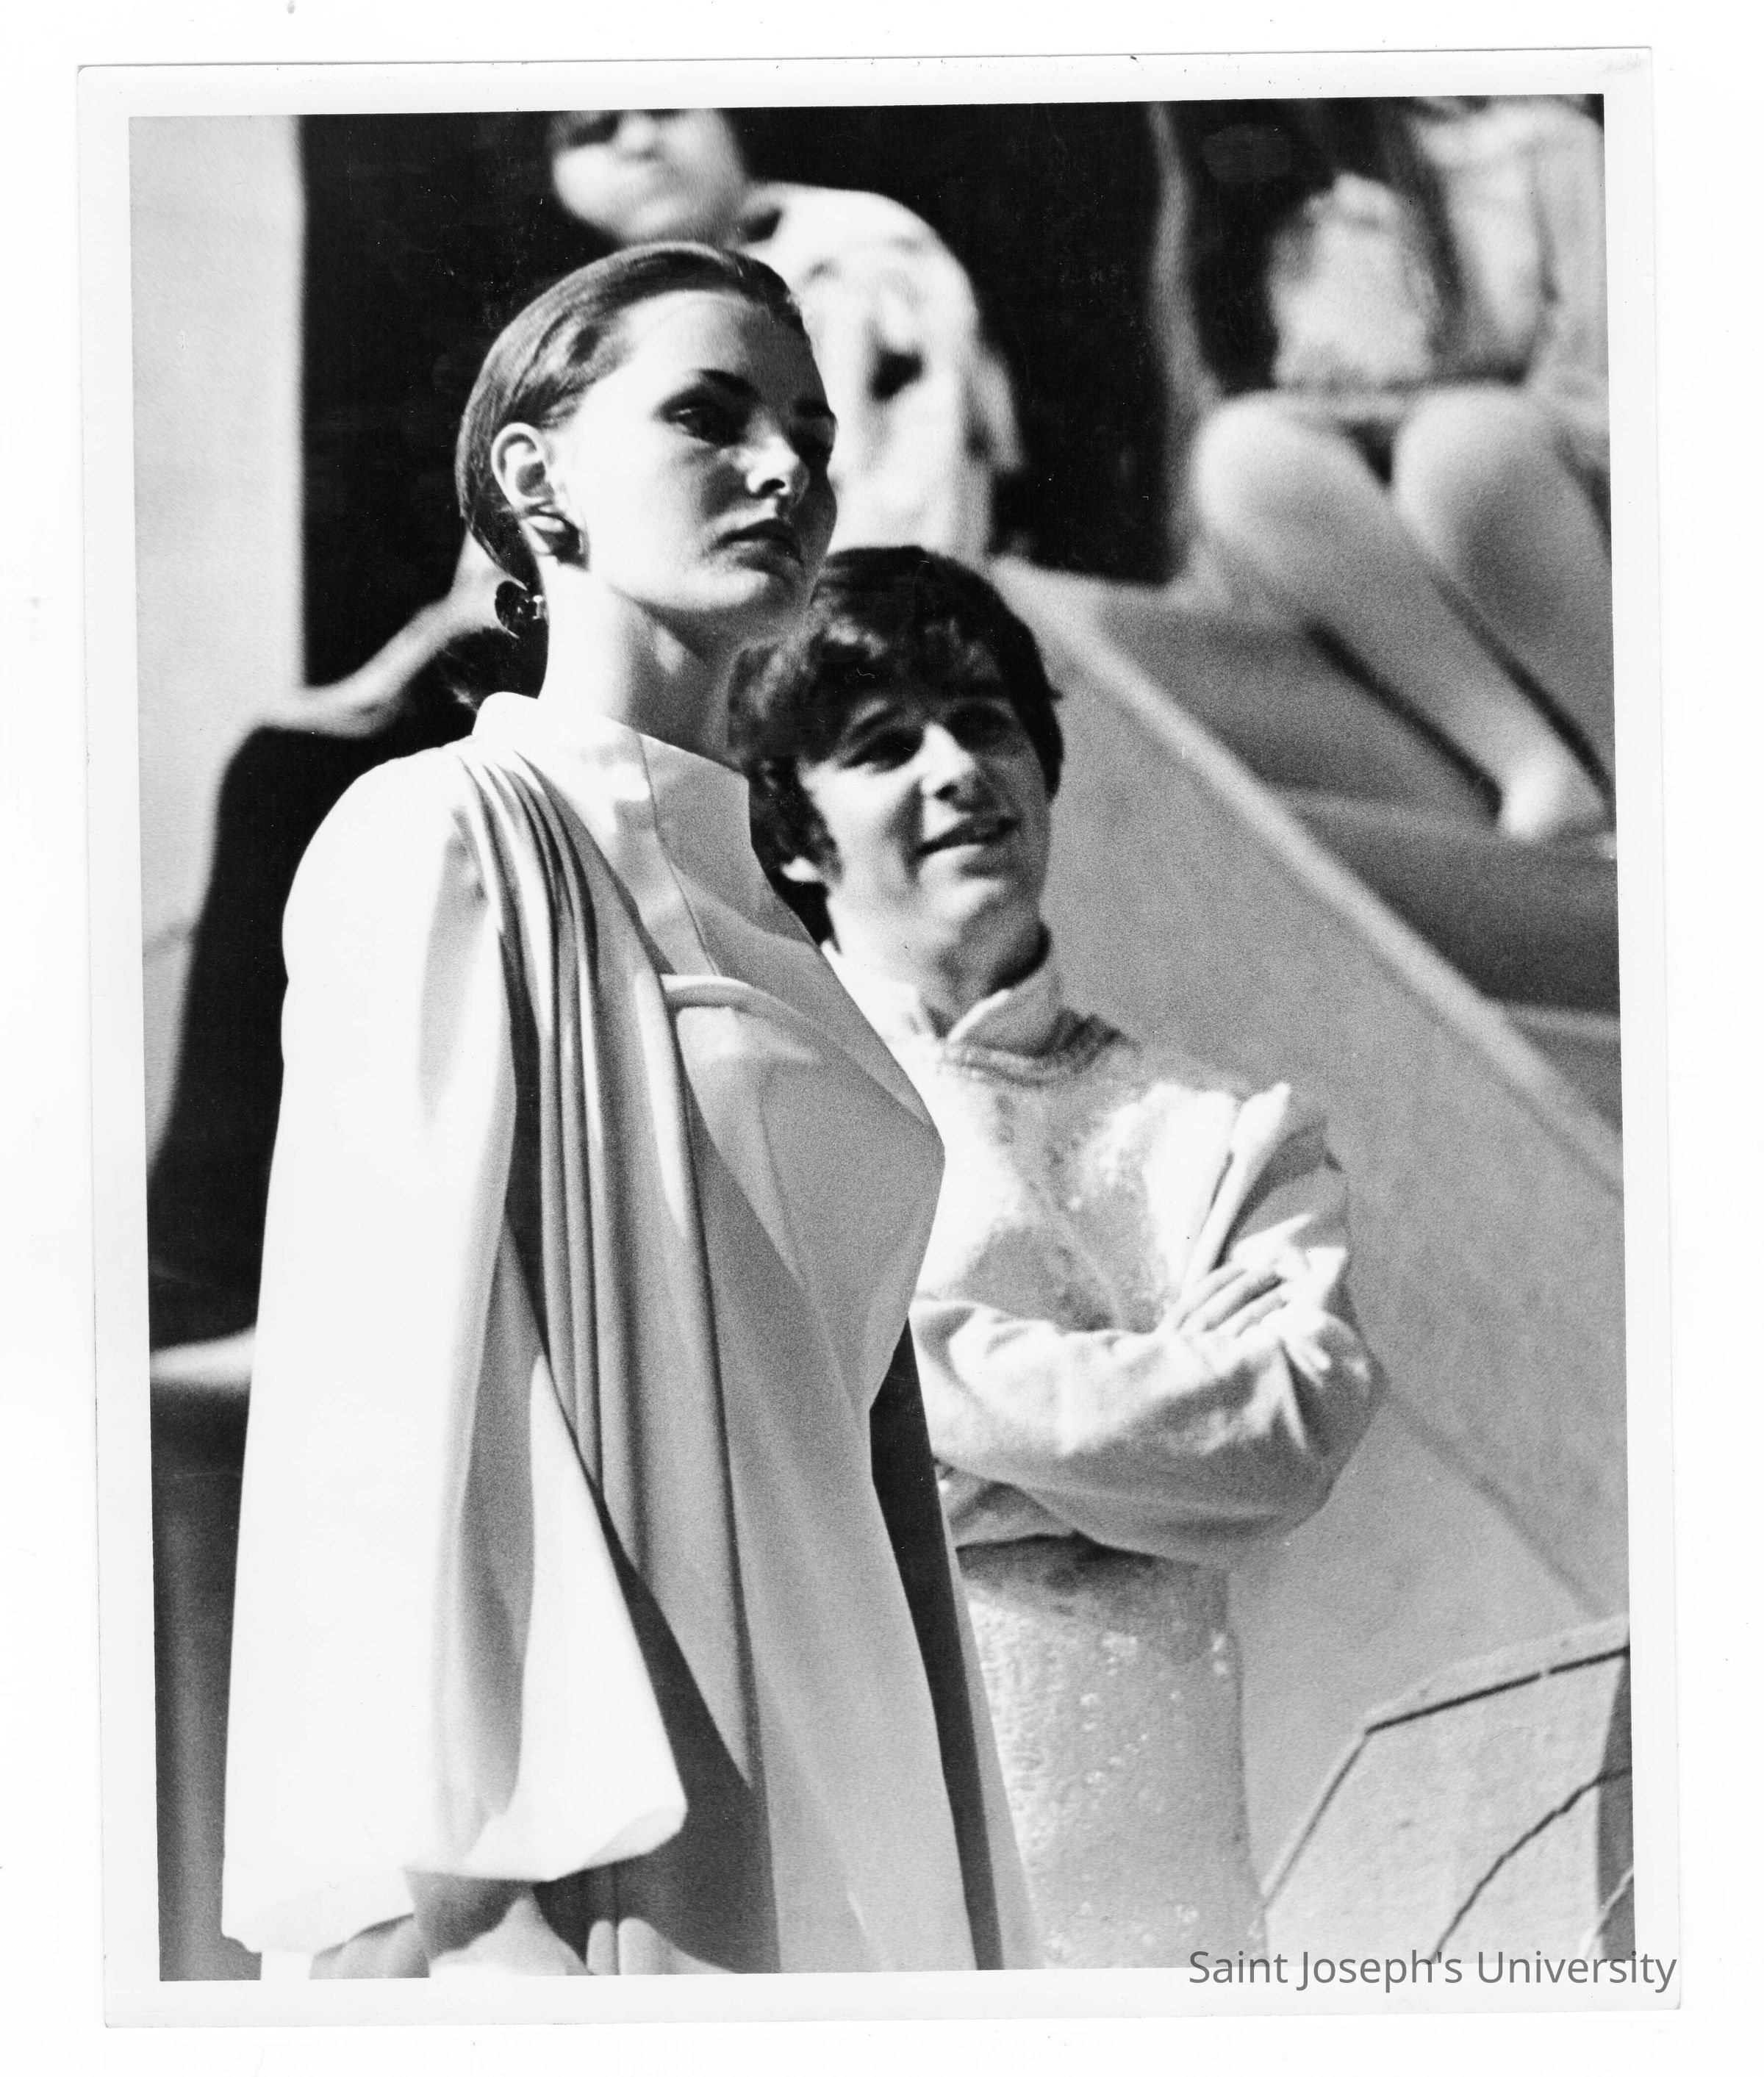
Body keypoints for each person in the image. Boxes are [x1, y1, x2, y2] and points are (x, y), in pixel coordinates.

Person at [220, 249, 1036, 1978]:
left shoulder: (793, 930)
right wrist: (432, 1890)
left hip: (867, 1779)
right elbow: (375, 1401)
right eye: (708, 416)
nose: (782, 469)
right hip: (617, 1820)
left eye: (809, 433)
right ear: (538, 480)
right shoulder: (445, 834)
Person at [735, 546, 1382, 1965]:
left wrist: (904, 1383)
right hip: (854, 1881)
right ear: (795, 835)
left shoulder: (1222, 1129)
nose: (957, 770)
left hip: (1161, 1893)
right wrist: (1146, 1416)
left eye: (988, 723)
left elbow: (1286, 1428)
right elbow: (754, 1460)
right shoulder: (752, 1104)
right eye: (883, 746)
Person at [1167, 96, 1613, 840]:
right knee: (1240, 447)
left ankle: (1626, 752)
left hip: (1558, 501)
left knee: (1457, 450)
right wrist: (1354, 404)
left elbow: (1600, 385)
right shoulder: (1311, 218)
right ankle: (1530, 761)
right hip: (1426, 528)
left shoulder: (1540, 146)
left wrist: (1430, 407)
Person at [546, 107, 1021, 565]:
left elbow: (910, 522)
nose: (639, 142)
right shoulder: (607, 310)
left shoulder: (846, 252)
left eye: (669, 110)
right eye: (594, 130)